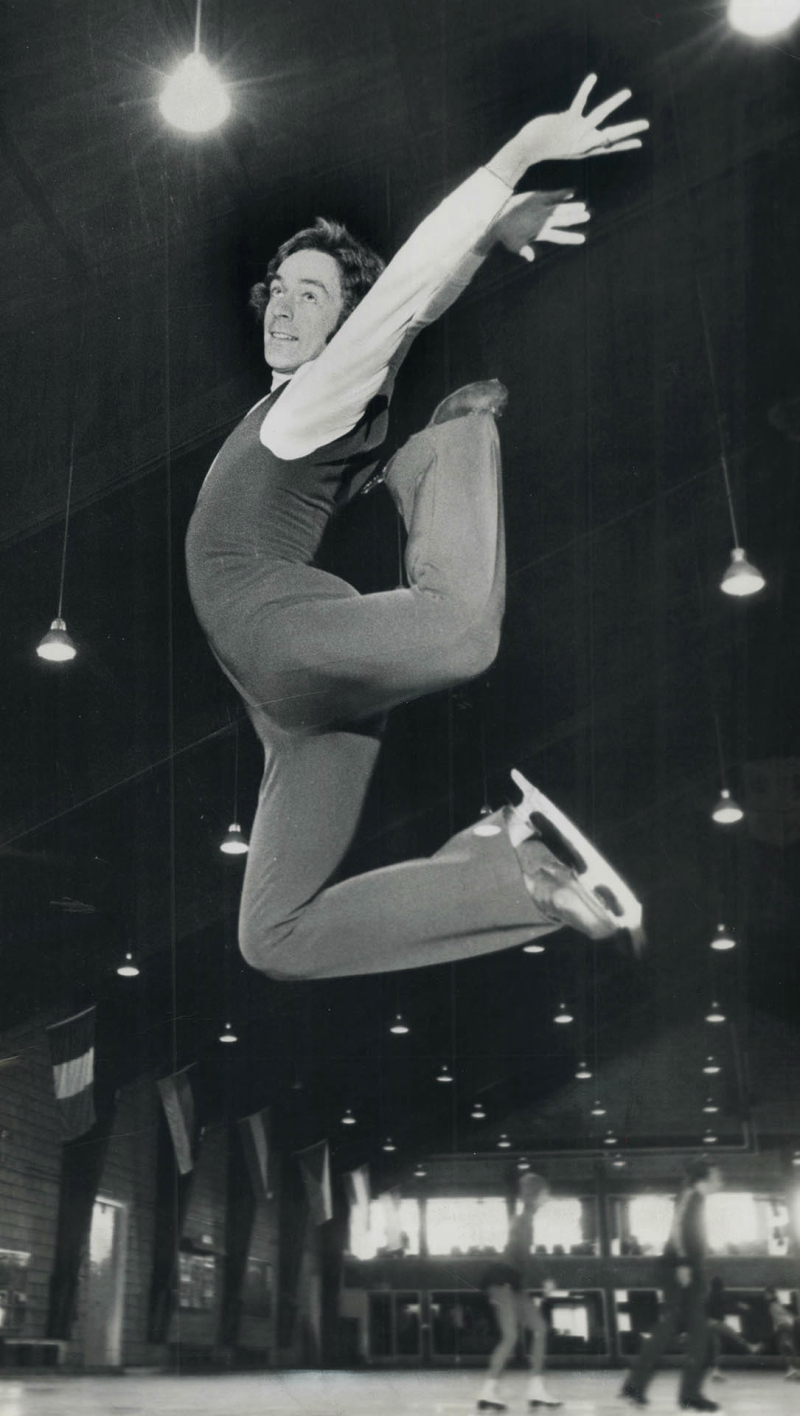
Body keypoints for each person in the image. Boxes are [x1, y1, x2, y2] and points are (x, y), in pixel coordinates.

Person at [185, 76, 648, 982]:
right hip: (280, 678)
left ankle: (505, 879)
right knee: (270, 937)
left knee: (460, 634)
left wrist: (507, 168)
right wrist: (494, 227)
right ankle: (509, 877)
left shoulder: (316, 398)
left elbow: (401, 300)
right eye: (278, 289)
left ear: (342, 322)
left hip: (285, 651)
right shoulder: (301, 405)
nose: (283, 305)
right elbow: (406, 311)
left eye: (312, 296)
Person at [620, 1157, 723, 1411]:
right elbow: (678, 1230)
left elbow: (688, 1233)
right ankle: (686, 1393)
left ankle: (639, 1386)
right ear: (705, 1178)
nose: (721, 1179)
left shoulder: (697, 1198)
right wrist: (684, 1263)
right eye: (717, 1175)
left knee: (683, 1334)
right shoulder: (690, 1196)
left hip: (686, 1271)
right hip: (679, 1271)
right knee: (685, 1333)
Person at [477, 1173, 561, 1411]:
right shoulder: (522, 1220)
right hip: (501, 1280)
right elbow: (525, 1256)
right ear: (536, 1196)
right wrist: (545, 1279)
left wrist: (535, 1283)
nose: (548, 1197)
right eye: (545, 1193)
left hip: (514, 1283)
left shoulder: (526, 1220)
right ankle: (488, 1390)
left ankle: (536, 1388)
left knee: (540, 1329)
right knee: (511, 1337)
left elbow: (524, 1259)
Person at [706, 1275, 760, 1381]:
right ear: (720, 1286)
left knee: (716, 1346)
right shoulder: (718, 1295)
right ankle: (750, 1347)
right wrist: (742, 1305)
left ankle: (715, 1371)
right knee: (732, 1333)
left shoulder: (709, 1296)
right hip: (715, 1323)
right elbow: (731, 1302)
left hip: (708, 1324)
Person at [764, 1287, 800, 1380]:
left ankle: (793, 1369)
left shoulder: (774, 1305)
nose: (765, 1296)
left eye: (767, 1294)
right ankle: (793, 1369)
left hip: (784, 1326)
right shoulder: (776, 1305)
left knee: (785, 1346)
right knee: (785, 1346)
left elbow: (781, 1318)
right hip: (786, 1326)